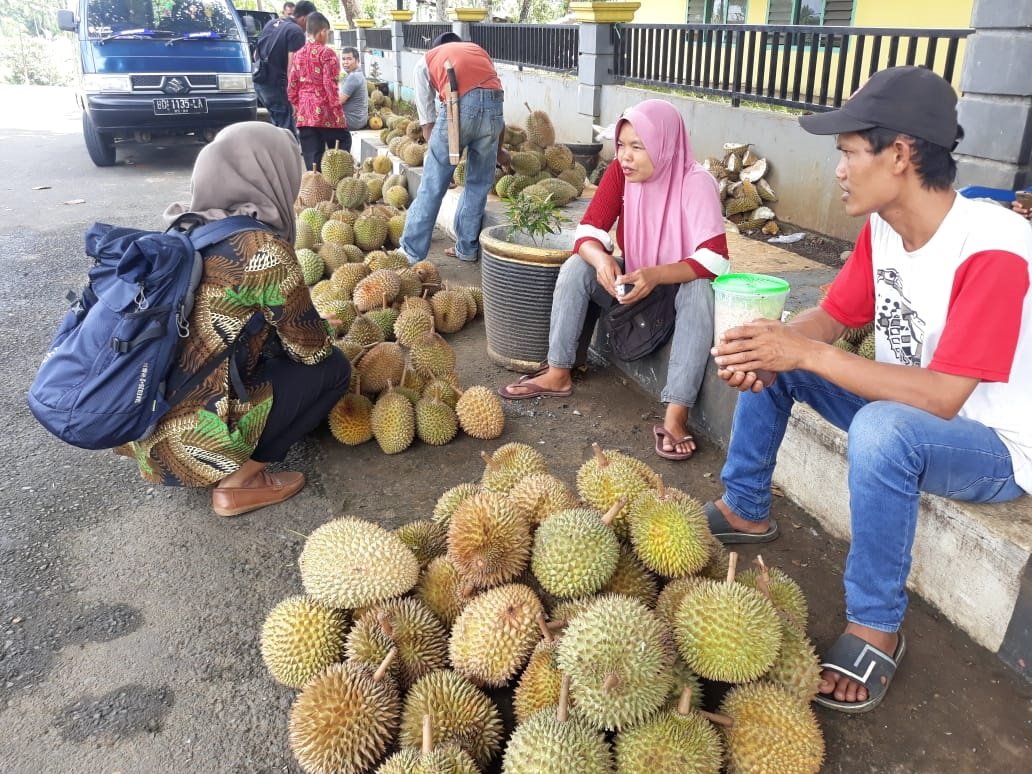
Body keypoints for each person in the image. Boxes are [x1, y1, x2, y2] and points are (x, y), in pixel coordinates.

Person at [708, 66, 1032, 713]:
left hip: (995, 446)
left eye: (849, 152)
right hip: (906, 408)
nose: (839, 170)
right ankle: (746, 507)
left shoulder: (997, 247)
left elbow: (942, 397)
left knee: (880, 427)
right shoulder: (885, 228)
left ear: (901, 154)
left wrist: (803, 349)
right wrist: (768, 346)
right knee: (785, 350)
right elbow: (830, 318)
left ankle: (875, 625)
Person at [118, 122, 351, 517]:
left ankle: (217, 456)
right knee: (332, 370)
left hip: (141, 433)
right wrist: (324, 326)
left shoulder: (184, 228)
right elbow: (311, 351)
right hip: (195, 444)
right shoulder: (261, 249)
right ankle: (239, 482)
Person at [499, 99, 730, 461]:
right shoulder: (621, 175)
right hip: (635, 283)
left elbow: (714, 259)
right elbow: (587, 231)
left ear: (665, 145)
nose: (625, 156)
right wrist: (601, 259)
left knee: (700, 290)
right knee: (578, 265)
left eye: (638, 147)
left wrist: (656, 276)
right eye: (621, 145)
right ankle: (558, 371)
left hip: (675, 288)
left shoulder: (695, 182)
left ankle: (676, 415)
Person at [399, 32, 509, 264]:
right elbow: (496, 113)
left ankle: (411, 252)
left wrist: (440, 167)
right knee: (479, 184)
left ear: (437, 48)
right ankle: (467, 248)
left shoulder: (426, 60)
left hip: (459, 105)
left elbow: (427, 122)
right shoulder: (478, 51)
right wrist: (499, 151)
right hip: (494, 107)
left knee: (431, 186)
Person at [287, 12, 348, 171]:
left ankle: (314, 191)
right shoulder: (327, 54)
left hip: (305, 114)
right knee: (343, 143)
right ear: (322, 31)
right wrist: (338, 112)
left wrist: (295, 104)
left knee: (312, 160)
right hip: (325, 113)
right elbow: (330, 85)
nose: (327, 36)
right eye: (327, 33)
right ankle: (336, 187)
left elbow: (292, 83)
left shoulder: (299, 54)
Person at [253, 0, 316, 135]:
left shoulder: (272, 23)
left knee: (278, 126)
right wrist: (294, 99)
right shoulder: (296, 32)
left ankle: (275, 154)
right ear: (305, 18)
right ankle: (288, 156)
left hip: (260, 82)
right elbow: (293, 69)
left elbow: (255, 53)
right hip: (276, 87)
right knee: (287, 132)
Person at [338, 46, 368, 141]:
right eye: (343, 59)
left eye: (349, 59)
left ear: (357, 60)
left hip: (352, 121)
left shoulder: (354, 77)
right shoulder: (357, 74)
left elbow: (338, 101)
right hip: (359, 119)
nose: (345, 62)